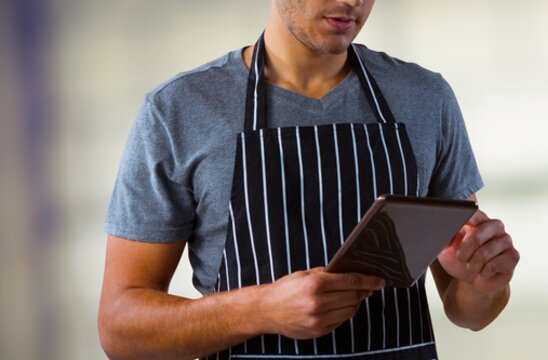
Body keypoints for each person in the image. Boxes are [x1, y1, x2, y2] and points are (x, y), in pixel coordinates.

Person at [98, 0, 520, 359]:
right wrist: (261, 310)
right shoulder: (178, 111)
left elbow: (467, 311)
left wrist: (483, 285)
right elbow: (120, 329)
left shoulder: (426, 98)